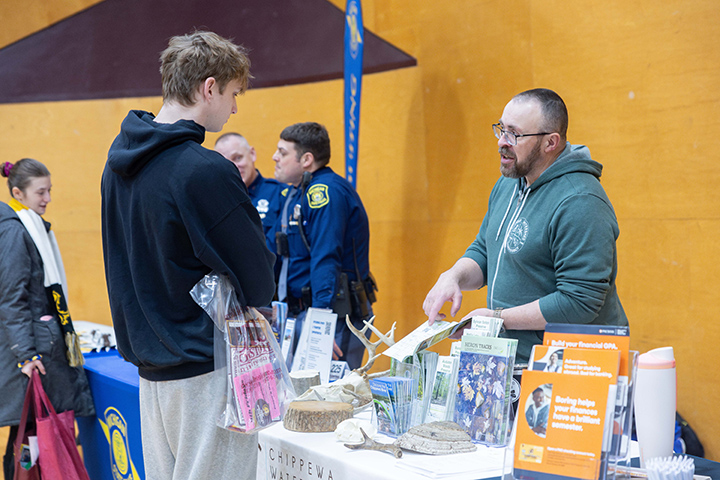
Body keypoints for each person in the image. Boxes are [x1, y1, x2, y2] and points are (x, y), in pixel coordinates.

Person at [101, 31, 275, 480]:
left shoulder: (116, 166)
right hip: (206, 367)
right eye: (234, 93)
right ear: (210, 88)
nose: (234, 107)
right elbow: (256, 270)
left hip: (150, 367)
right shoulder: (203, 169)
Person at [423, 88, 628, 363]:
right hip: (514, 362)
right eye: (501, 129)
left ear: (550, 143)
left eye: (514, 134)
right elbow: (486, 251)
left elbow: (580, 302)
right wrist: (453, 276)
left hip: (572, 370)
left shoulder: (580, 201)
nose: (501, 142)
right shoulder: (509, 183)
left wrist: (498, 319)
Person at [0, 158, 94, 480]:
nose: (48, 199)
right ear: (18, 192)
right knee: (28, 435)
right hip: (31, 358)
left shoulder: (31, 227)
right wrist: (26, 355)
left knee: (31, 435)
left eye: (49, 190)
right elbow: (12, 299)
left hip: (38, 350)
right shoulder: (15, 232)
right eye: (41, 192)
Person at [271, 122, 376, 370]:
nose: (275, 157)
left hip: (334, 316)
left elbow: (325, 258)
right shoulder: (297, 193)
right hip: (303, 313)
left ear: (306, 159)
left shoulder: (324, 191)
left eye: (283, 152)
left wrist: (321, 326)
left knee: (332, 398)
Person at [214, 133, 284, 246]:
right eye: (225, 163)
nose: (233, 167)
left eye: (238, 158)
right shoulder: (215, 202)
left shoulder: (280, 194)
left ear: (252, 154)